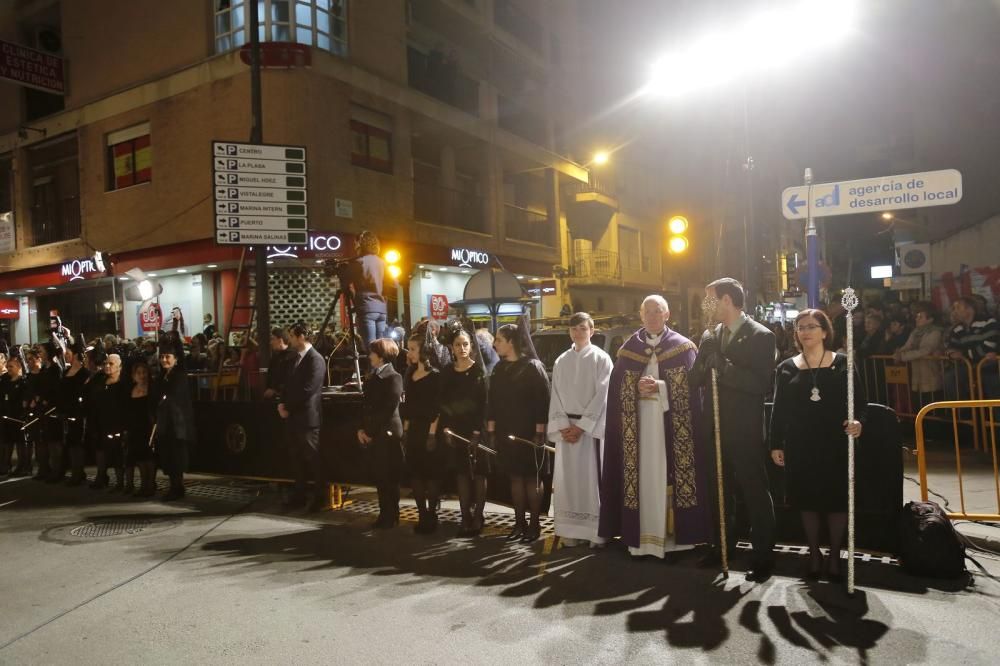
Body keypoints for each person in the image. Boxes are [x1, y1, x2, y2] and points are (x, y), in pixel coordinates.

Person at [599, 295, 712, 560]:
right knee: (642, 477)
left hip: (671, 429)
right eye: (647, 311)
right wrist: (634, 388)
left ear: (667, 314)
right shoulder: (628, 350)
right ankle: (642, 540)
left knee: (669, 475)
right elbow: (616, 392)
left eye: (657, 311)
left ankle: (677, 540)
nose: (652, 316)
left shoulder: (683, 348)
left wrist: (661, 388)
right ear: (641, 316)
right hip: (638, 429)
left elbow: (695, 390)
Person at [689, 278, 777, 580]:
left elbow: (760, 384)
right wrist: (706, 356)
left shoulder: (761, 336)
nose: (705, 306)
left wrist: (725, 368)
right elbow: (694, 380)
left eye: (709, 299)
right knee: (719, 492)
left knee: (754, 491)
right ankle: (722, 546)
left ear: (727, 300)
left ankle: (763, 555)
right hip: (714, 428)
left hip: (744, 429)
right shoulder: (711, 335)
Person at [770, 309, 866, 582]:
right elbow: (779, 410)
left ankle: (835, 554)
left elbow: (860, 403)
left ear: (825, 331)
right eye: (801, 327)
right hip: (801, 444)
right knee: (807, 501)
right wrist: (776, 443)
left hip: (836, 442)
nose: (806, 331)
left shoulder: (844, 363)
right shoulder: (786, 367)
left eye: (812, 326)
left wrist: (858, 422)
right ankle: (814, 553)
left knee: (836, 501)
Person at [547, 312, 613, 547]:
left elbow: (603, 396)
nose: (578, 333)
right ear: (569, 332)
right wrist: (564, 426)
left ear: (592, 331)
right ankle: (570, 531)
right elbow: (554, 395)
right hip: (567, 430)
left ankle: (596, 532)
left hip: (589, 432)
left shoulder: (601, 359)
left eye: (583, 329)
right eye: (574, 329)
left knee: (591, 481)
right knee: (567, 482)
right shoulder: (561, 360)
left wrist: (582, 426)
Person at [487, 317, 551, 543]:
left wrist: (539, 433)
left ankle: (534, 524)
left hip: (530, 433)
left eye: (499, 340)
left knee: (532, 479)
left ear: (511, 342)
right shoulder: (499, 369)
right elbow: (491, 402)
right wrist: (492, 432)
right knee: (514, 478)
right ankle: (519, 522)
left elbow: (542, 402)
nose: (495, 344)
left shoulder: (533, 367)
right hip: (507, 431)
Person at [439, 327, 489, 536]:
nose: (462, 348)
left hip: (476, 429)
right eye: (458, 344)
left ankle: (478, 515)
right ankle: (464, 516)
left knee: (478, 474)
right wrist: (447, 426)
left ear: (471, 346)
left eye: (465, 344)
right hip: (455, 429)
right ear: (452, 347)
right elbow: (443, 402)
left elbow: (484, 403)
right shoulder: (448, 372)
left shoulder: (479, 371)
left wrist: (478, 431)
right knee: (461, 473)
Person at [277, 321, 327, 512]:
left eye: (291, 336)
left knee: (313, 459)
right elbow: (287, 384)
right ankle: (299, 495)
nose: (289, 340)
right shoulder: (293, 359)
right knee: (296, 459)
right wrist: (282, 403)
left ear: (301, 337)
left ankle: (319, 497)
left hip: (307, 418)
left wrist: (288, 406)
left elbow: (308, 389)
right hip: (293, 416)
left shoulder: (316, 360)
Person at [358, 337, 404, 528]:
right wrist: (363, 428)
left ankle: (391, 514)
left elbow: (387, 409)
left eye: (373, 353)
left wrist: (370, 430)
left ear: (381, 356)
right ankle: (385, 513)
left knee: (388, 476)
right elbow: (367, 406)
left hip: (387, 433)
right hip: (375, 432)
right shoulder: (374, 376)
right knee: (380, 475)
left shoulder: (394, 377)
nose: (369, 356)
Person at [402, 329, 444, 533]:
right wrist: (406, 431)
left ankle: (432, 514)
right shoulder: (410, 374)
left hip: (429, 431)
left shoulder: (435, 376)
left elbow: (437, 409)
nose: (409, 353)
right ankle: (422, 514)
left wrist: (432, 434)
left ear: (423, 351)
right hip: (414, 430)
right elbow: (408, 407)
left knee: (431, 475)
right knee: (416, 475)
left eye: (412, 349)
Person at [153, 338, 196, 501]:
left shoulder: (179, 375)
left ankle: (177, 487)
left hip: (177, 423)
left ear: (175, 358)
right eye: (162, 356)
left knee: (176, 457)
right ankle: (174, 486)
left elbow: (171, 396)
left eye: (168, 356)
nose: (164, 359)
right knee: (168, 456)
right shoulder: (161, 376)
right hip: (166, 422)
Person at [894, 303, 944, 408]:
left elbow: (926, 350)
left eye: (920, 317)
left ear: (930, 319)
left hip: (931, 371)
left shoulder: (935, 332)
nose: (917, 319)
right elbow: (907, 346)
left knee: (931, 401)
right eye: (917, 316)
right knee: (918, 403)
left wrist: (903, 356)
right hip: (917, 373)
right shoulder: (915, 332)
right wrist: (898, 353)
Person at [91, 354, 129, 490]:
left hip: (116, 424)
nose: (107, 366)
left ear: (119, 366)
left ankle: (120, 482)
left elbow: (125, 406)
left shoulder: (123, 384)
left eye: (111, 364)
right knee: (100, 450)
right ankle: (101, 476)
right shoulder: (100, 381)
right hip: (101, 422)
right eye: (106, 363)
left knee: (118, 453)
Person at [56, 340, 91, 486]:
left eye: (68, 353)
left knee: (77, 443)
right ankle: (72, 470)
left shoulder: (84, 373)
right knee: (69, 443)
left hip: (78, 411)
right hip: (66, 411)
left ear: (76, 355)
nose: (65, 355)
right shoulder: (65, 371)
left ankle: (78, 472)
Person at [347, 230, 388, 348]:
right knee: (381, 349)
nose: (355, 245)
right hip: (382, 310)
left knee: (371, 349)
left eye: (356, 242)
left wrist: (356, 303)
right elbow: (390, 285)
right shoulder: (382, 262)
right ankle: (383, 367)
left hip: (366, 308)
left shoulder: (359, 262)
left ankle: (374, 367)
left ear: (361, 243)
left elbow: (349, 286)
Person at [125, 361, 157, 497]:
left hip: (148, 426)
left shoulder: (152, 389)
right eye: (139, 373)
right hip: (134, 427)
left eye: (144, 372)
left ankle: (150, 484)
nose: (142, 375)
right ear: (134, 375)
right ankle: (143, 484)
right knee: (139, 457)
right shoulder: (131, 389)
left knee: (148, 457)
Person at [1, 356, 27, 476]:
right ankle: (6, 465)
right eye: (7, 366)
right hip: (6, 417)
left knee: (20, 442)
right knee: (7, 442)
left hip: (17, 417)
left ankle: (22, 467)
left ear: (19, 367)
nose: (8, 369)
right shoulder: (5, 382)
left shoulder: (22, 382)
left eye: (11, 366)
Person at [263, 327, 295, 401]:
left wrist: (276, 391)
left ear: (280, 340)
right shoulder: (275, 357)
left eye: (273, 339)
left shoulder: (293, 357)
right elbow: (270, 376)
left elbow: (290, 379)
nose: (271, 342)